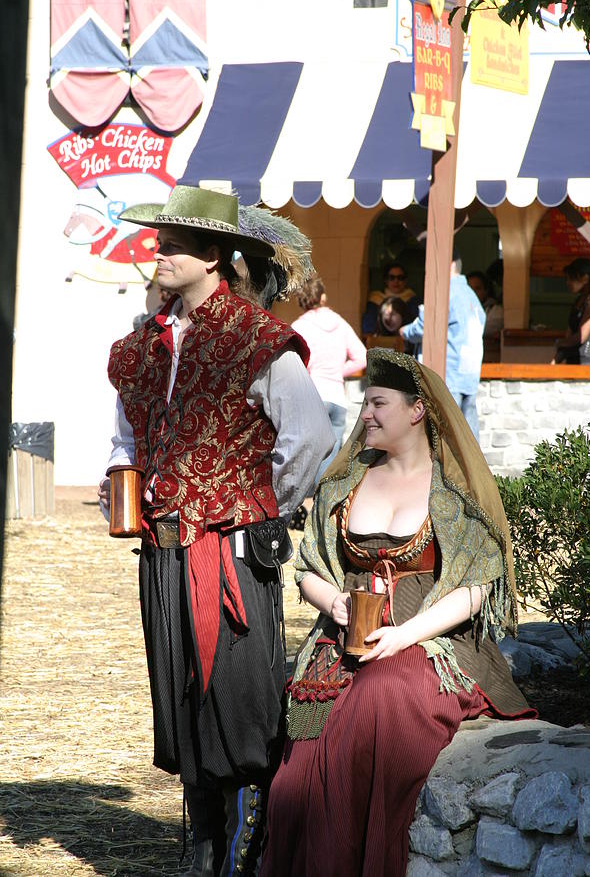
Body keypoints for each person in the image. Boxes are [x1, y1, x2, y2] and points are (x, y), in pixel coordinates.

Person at [98, 184, 335, 877]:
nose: (159, 253)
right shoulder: (142, 346)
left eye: (173, 245)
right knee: (181, 703)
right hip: (163, 552)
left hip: (231, 555)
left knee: (238, 710)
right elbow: (125, 436)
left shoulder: (259, 340)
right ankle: (199, 847)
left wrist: (258, 505)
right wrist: (129, 481)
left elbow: (311, 438)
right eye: (159, 241)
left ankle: (241, 856)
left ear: (212, 255)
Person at [259, 349, 536, 877]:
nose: (365, 414)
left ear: (416, 411)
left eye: (378, 403)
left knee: (374, 703)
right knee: (295, 779)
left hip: (430, 642)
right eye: (365, 403)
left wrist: (405, 634)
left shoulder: (452, 495)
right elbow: (310, 569)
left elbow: (476, 588)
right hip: (342, 642)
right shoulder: (344, 484)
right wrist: (334, 601)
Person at [400, 251, 485, 442]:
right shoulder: (471, 295)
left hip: (449, 373)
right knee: (469, 441)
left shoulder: (446, 291)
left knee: (444, 442)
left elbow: (426, 326)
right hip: (469, 373)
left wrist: (405, 331)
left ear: (449, 264)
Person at [291, 275, 366, 457]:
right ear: (323, 297)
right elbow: (363, 357)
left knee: (310, 462)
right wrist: (338, 372)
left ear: (301, 301)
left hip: (312, 398)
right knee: (330, 466)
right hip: (338, 399)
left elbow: (295, 366)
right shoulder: (340, 323)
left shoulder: (299, 327)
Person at [552, 257, 590, 365]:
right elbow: (570, 332)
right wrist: (556, 359)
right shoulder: (578, 301)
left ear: (585, 278)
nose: (568, 282)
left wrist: (559, 343)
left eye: (572, 278)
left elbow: (581, 336)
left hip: (587, 359)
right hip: (572, 358)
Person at [362, 261, 419, 334]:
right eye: (392, 278)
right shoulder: (375, 299)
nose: (396, 281)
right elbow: (368, 326)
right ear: (386, 280)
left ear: (405, 281)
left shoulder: (413, 300)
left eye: (400, 278)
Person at [466, 269, 504, 338]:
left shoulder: (496, 310)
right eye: (469, 289)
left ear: (486, 291)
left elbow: (481, 329)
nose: (473, 293)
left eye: (477, 288)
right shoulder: (460, 309)